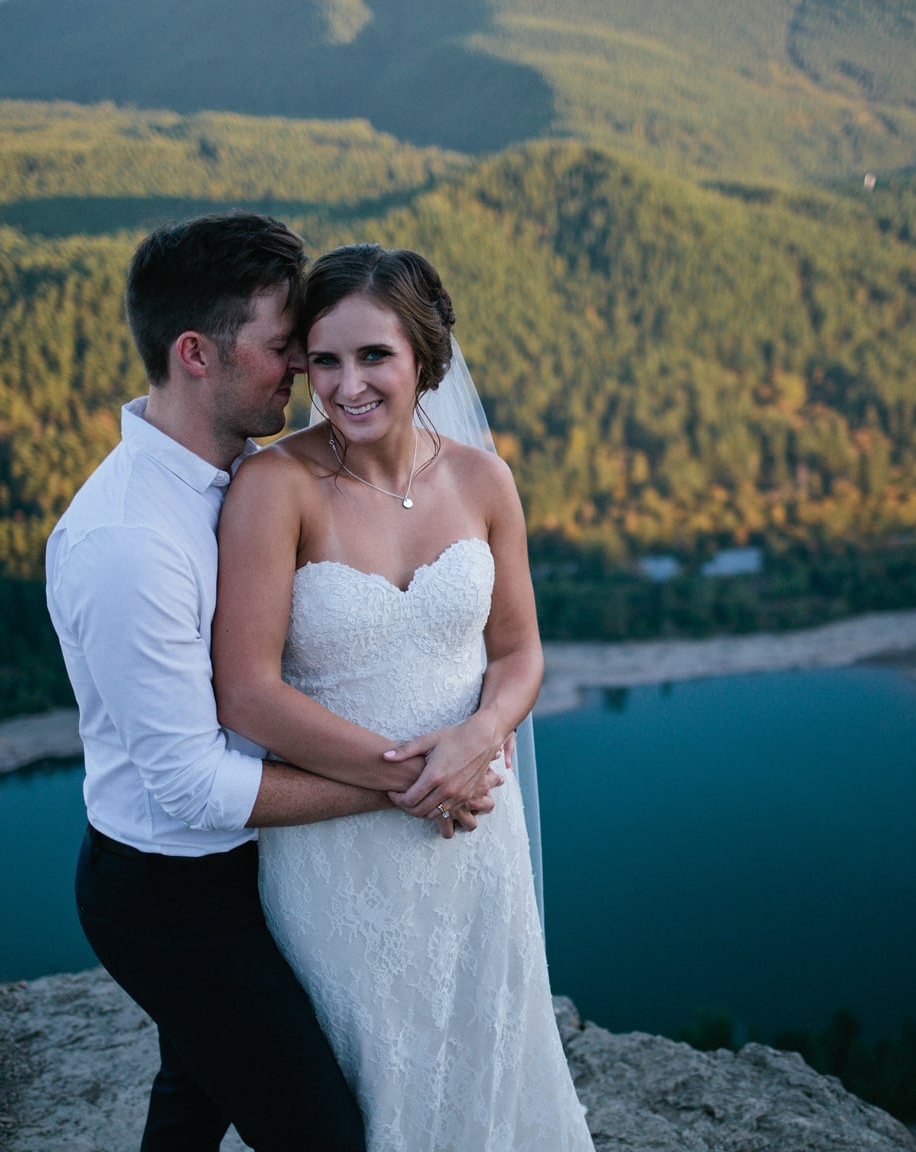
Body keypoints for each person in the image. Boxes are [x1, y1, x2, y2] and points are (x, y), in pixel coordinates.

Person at [45, 212, 498, 1152]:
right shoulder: (131, 544)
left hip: (260, 863)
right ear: (196, 354)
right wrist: (408, 784)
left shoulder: (240, 474)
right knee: (320, 1133)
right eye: (284, 349)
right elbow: (193, 787)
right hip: (170, 892)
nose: (305, 372)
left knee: (194, 1093)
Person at [211, 244, 593, 1151]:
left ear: (424, 355)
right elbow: (247, 694)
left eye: (374, 355)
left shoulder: (481, 481)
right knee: (358, 1084)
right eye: (325, 358)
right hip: (338, 849)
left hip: (473, 836)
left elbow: (519, 650)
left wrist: (483, 733)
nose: (346, 384)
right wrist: (415, 776)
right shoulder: (275, 487)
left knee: (482, 1070)